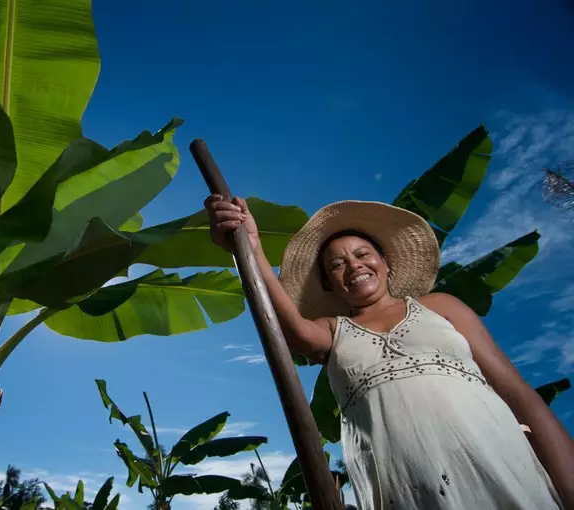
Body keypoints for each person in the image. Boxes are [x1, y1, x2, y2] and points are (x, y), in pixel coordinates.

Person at [205, 195, 574, 509]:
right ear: (329, 284)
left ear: (386, 262)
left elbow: (517, 393)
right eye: (337, 265)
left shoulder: (442, 306)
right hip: (404, 489)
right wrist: (248, 251)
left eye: (363, 254)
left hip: (498, 461)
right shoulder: (331, 332)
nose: (353, 266)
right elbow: (286, 327)